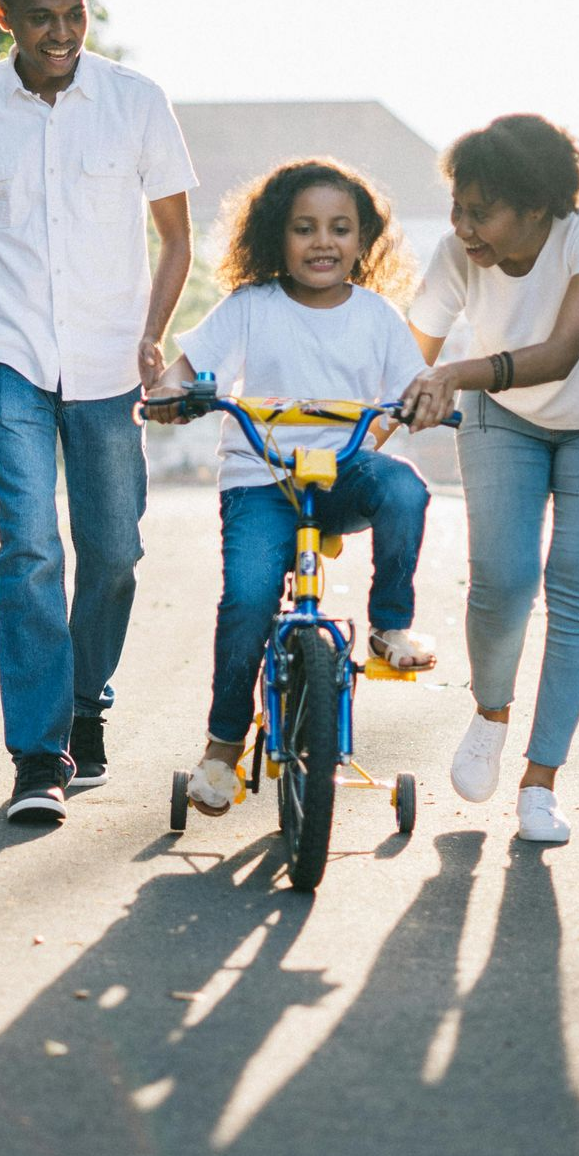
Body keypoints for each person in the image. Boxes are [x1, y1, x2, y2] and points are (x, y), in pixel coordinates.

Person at [0, 0, 197, 824]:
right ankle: (39, 756)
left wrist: (154, 336)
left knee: (113, 553)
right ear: (4, 15)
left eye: (75, 13)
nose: (62, 32)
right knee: (31, 547)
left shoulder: (136, 101)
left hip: (111, 361)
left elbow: (176, 236)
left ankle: (86, 705)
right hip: (8, 360)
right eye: (41, 18)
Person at [147, 159, 435, 815]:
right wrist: (170, 392)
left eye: (340, 228)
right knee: (248, 600)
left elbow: (411, 387)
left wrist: (421, 403)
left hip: (340, 475)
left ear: (364, 242)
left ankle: (390, 626)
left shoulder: (378, 317)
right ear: (278, 236)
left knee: (405, 490)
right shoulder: (250, 307)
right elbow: (185, 369)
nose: (322, 242)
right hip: (260, 481)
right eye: (304, 228)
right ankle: (222, 749)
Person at [402, 114, 579, 844]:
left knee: (576, 588)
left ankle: (540, 783)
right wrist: (361, 431)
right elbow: (402, 357)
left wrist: (452, 372)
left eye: (480, 211)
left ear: (537, 208)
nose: (462, 227)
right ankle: (489, 713)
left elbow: (563, 351)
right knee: (503, 578)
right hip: (504, 418)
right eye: (457, 206)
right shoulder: (457, 255)